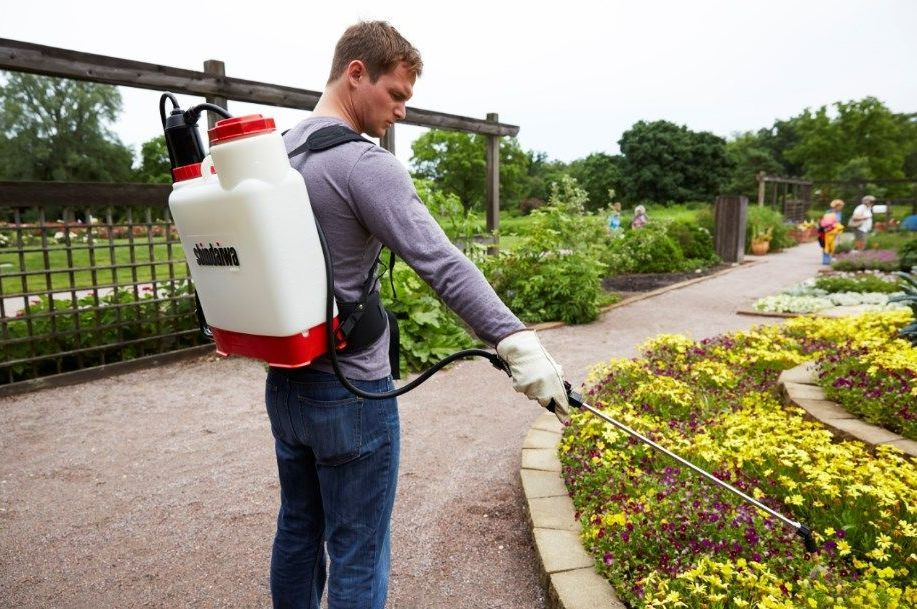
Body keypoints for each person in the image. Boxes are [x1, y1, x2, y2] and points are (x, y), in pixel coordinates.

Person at [266, 21, 570, 609]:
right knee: (357, 545)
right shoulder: (363, 164)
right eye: (397, 95)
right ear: (356, 73)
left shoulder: (277, 155)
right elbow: (442, 263)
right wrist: (516, 341)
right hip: (352, 390)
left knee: (298, 529)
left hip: (287, 384)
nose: (402, 112)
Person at [818, 199, 845, 265]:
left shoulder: (839, 213)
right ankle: (826, 261)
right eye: (841, 206)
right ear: (836, 206)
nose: (842, 208)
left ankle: (831, 260)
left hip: (836, 232)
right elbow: (825, 223)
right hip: (828, 232)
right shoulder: (829, 212)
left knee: (834, 246)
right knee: (826, 245)